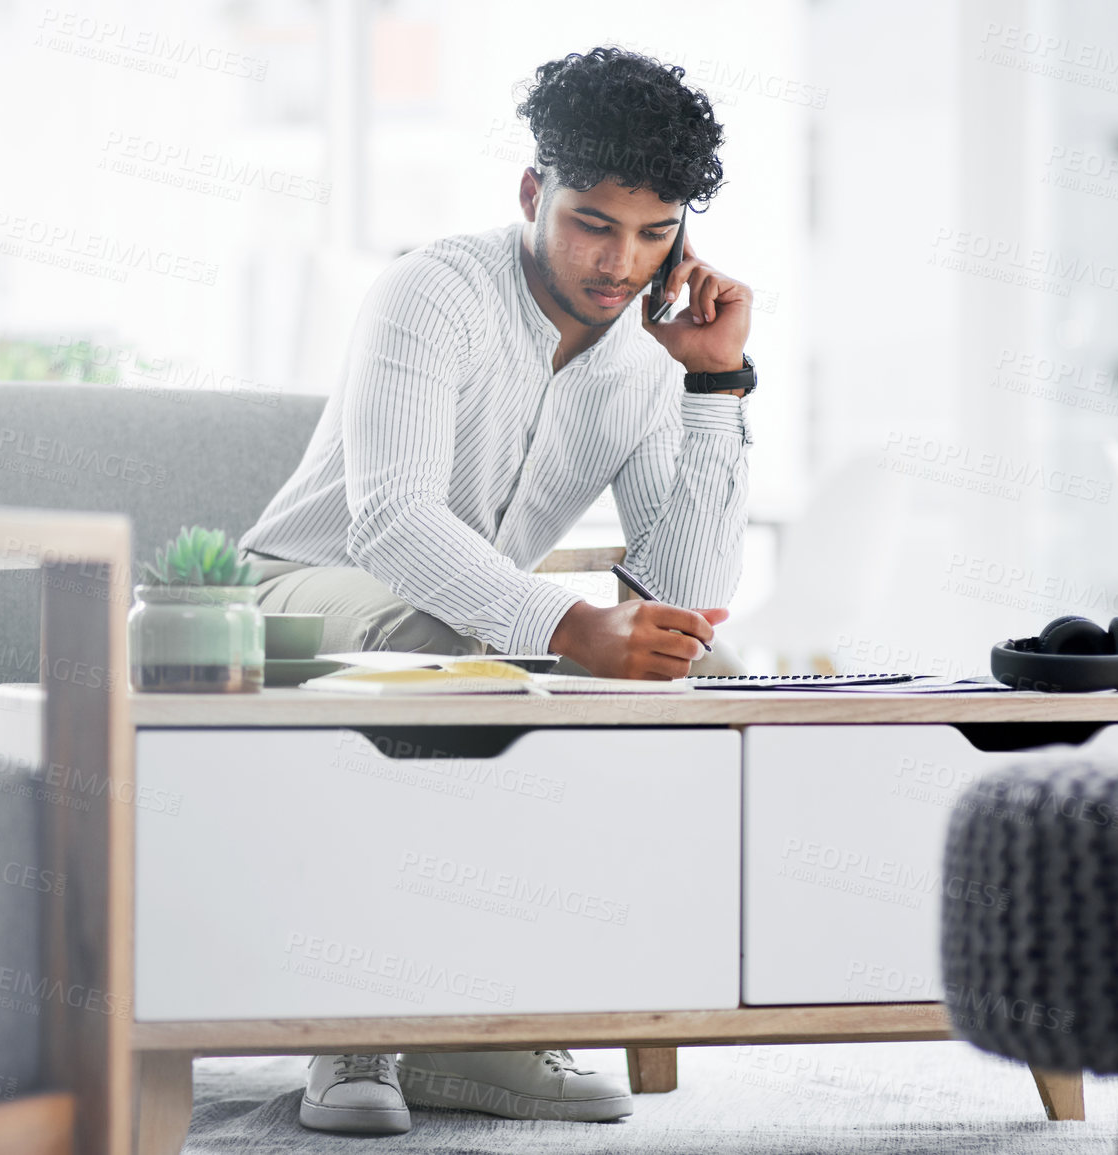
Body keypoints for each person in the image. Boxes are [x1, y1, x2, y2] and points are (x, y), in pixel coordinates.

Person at [239, 45, 756, 1134]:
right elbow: (391, 520)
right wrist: (571, 624)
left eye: (654, 233)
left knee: (667, 662)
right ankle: (357, 1026)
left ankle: (501, 1025)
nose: (622, 264)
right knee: (451, 643)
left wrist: (711, 380)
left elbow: (688, 592)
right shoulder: (433, 290)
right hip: (292, 596)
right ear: (534, 193)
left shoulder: (653, 351)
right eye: (593, 224)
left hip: (467, 622)